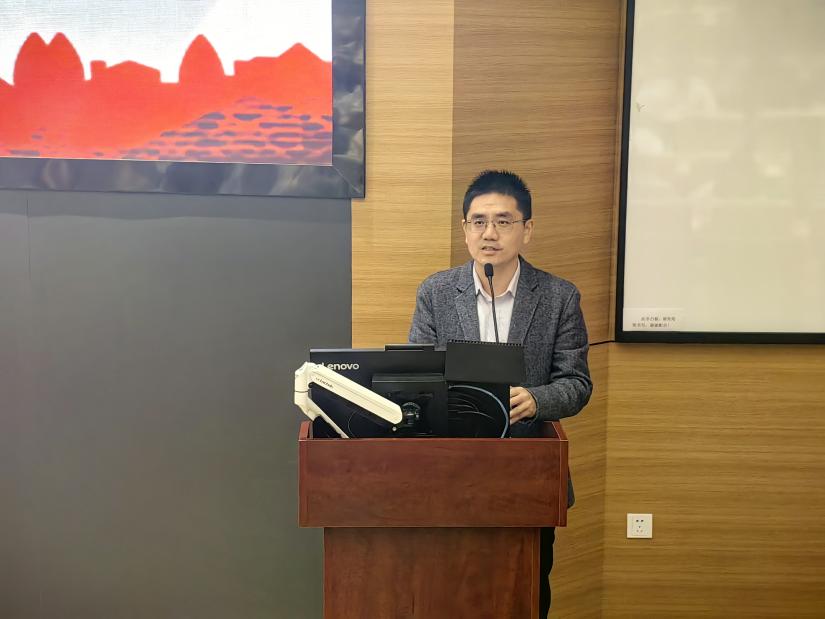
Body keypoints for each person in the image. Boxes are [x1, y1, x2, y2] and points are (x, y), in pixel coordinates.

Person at [408, 169, 592, 616]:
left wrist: (537, 400)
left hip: (528, 476)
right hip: (450, 474)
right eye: (478, 221)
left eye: (503, 221)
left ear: (526, 229)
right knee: (449, 594)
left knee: (523, 595)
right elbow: (416, 375)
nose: (489, 233)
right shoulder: (436, 292)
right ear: (465, 229)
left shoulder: (559, 297)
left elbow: (576, 383)